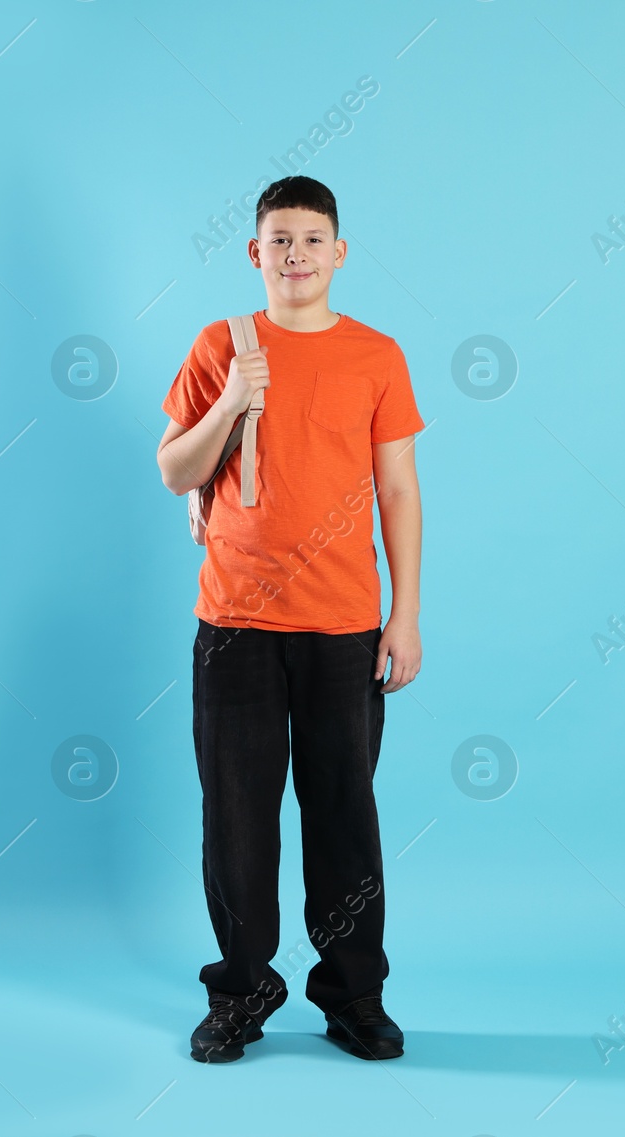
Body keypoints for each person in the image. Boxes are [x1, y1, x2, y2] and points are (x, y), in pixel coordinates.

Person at [155, 176, 425, 1063]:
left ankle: (354, 993)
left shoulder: (377, 355)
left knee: (344, 811)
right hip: (234, 622)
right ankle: (241, 987)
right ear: (255, 253)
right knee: (237, 816)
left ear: (339, 252)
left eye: (313, 239)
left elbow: (397, 487)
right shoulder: (218, 345)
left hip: (344, 625)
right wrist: (233, 397)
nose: (297, 254)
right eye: (280, 239)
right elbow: (173, 469)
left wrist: (406, 614)